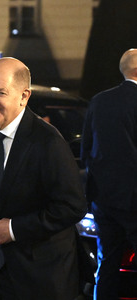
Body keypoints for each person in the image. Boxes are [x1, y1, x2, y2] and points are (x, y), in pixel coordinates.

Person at [0, 57, 88, 299]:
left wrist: (14, 228)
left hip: (40, 273)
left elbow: (72, 207)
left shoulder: (48, 142)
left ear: (24, 96)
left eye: (0, 93)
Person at [81, 48, 137, 300]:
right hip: (134, 198)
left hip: (103, 199)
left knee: (108, 265)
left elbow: (86, 150)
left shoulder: (99, 101)